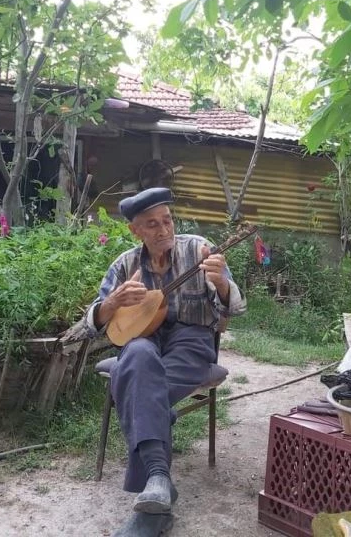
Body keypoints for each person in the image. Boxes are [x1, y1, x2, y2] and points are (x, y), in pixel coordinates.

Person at [82, 187, 246, 537]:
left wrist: (220, 284)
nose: (163, 230)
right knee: (138, 354)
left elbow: (235, 309)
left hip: (191, 342)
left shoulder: (197, 250)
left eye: (167, 220)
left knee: (142, 386)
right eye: (151, 224)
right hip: (145, 343)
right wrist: (113, 302)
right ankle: (158, 483)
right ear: (135, 230)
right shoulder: (125, 265)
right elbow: (90, 324)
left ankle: (153, 500)